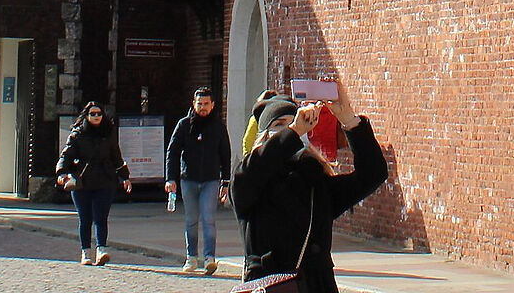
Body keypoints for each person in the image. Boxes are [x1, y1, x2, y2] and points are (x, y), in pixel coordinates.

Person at [232, 81, 390, 293]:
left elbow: (373, 174)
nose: (291, 131)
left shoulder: (316, 181)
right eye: (279, 125)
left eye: (294, 123)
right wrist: (295, 130)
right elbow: (253, 171)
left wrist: (348, 119)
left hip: (316, 285)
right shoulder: (249, 179)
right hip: (272, 286)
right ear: (264, 137)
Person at [164, 87, 233, 276]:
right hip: (189, 179)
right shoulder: (184, 125)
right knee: (191, 220)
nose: (202, 107)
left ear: (212, 105)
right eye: (199, 104)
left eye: (206, 104)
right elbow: (173, 152)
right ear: (193, 105)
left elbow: (225, 155)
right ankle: (191, 257)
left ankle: (209, 257)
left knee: (209, 219)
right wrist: (170, 178)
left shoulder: (218, 127)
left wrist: (225, 182)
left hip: (210, 180)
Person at [54, 101, 131, 266]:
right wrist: (61, 172)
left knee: (101, 217)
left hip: (105, 180)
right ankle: (85, 252)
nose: (96, 117)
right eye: (92, 114)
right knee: (85, 218)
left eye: (99, 114)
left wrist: (125, 177)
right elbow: (65, 156)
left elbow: (116, 157)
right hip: (83, 181)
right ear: (86, 116)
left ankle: (101, 249)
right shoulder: (77, 134)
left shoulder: (108, 133)